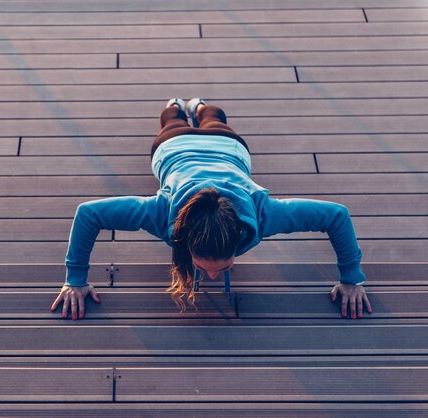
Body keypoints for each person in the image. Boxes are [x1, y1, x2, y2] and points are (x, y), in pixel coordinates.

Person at [50, 98, 372, 321]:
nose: (214, 275)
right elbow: (88, 214)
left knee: (214, 119)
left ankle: (200, 106)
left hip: (226, 146)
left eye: (221, 265)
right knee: (171, 120)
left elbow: (336, 216)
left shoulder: (262, 215)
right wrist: (74, 280)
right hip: (176, 146)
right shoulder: (163, 212)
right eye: (207, 265)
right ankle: (176, 107)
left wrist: (351, 279)